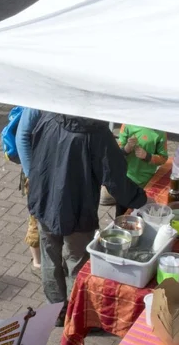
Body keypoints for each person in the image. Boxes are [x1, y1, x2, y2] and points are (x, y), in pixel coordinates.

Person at [27, 113, 147, 313]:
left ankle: (55, 311)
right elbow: (115, 179)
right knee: (79, 264)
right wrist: (140, 200)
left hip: (44, 201)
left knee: (50, 257)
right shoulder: (97, 133)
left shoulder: (49, 117)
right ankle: (77, 314)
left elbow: (33, 149)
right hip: (76, 209)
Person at [16, 106, 43, 271]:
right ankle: (37, 260)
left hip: (52, 172)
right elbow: (22, 137)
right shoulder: (36, 106)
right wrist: (32, 175)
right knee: (36, 217)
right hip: (37, 174)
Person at [116, 123, 168, 189]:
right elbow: (116, 154)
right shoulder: (127, 124)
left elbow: (163, 158)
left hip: (146, 181)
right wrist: (127, 148)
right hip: (123, 177)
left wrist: (147, 156)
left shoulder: (161, 131)